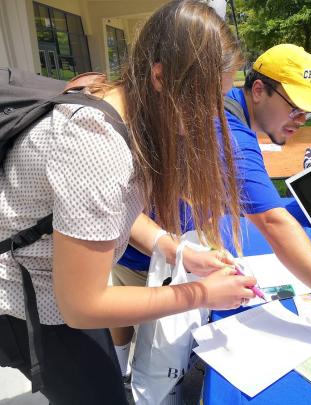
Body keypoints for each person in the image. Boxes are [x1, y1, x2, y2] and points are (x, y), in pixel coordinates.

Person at [0, 2, 256, 404]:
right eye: (205, 100)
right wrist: (203, 294)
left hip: (59, 288)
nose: (210, 117)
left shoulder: (118, 103)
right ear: (161, 77)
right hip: (23, 300)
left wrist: (175, 251)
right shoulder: (96, 145)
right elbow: (83, 305)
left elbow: (106, 211)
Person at [112, 44, 311, 367]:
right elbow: (274, 223)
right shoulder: (230, 134)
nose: (301, 120)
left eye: (308, 112)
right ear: (259, 90)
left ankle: (119, 363)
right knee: (159, 360)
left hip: (155, 237)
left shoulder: (233, 112)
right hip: (149, 254)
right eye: (294, 107)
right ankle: (122, 369)